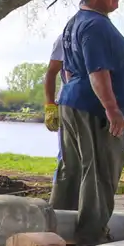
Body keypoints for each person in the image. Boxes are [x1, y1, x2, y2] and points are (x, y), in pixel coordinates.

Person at [56, 0, 124, 246]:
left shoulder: (75, 23)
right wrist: (112, 108)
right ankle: (91, 234)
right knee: (100, 168)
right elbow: (97, 71)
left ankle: (57, 230)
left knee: (72, 168)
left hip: (72, 99)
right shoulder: (96, 25)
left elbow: (67, 71)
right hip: (93, 107)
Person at [42, 29, 77, 211]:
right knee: (67, 158)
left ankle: (82, 210)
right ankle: (57, 210)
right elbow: (51, 73)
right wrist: (49, 105)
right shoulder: (65, 37)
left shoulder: (103, 33)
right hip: (69, 104)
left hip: (95, 107)